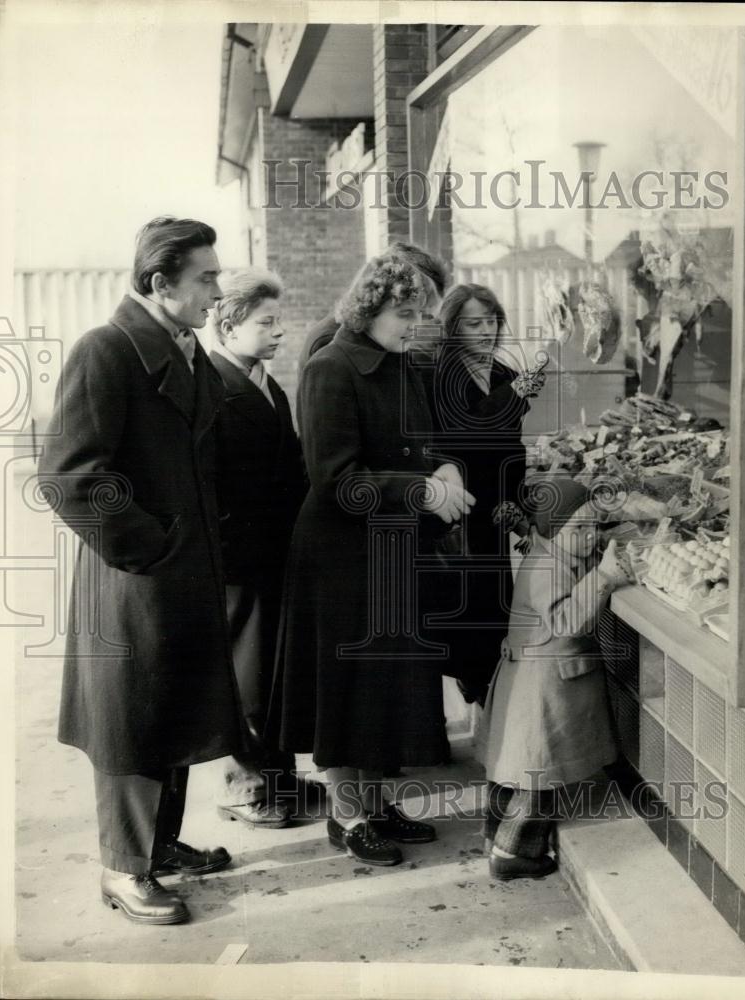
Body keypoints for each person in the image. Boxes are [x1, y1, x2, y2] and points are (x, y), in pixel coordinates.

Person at [38, 217, 249, 926]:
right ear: (161, 283)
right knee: (131, 724)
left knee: (175, 712)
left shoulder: (184, 352)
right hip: (133, 581)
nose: (217, 289)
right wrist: (150, 545)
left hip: (183, 572)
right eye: (207, 277)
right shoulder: (106, 351)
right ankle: (122, 870)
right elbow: (69, 475)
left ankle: (157, 846)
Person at [269, 252, 475, 867]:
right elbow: (335, 478)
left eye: (423, 313)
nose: (416, 323)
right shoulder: (331, 367)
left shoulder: (402, 364)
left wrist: (440, 466)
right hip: (341, 555)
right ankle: (348, 815)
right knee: (346, 688)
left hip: (390, 548)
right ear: (370, 307)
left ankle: (377, 803)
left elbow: (424, 440)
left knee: (383, 686)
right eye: (404, 312)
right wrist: (423, 491)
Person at [479, 477, 631, 880]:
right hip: (543, 686)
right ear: (551, 530)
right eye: (578, 529)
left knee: (515, 767)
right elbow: (567, 621)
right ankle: (512, 855)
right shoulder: (547, 567)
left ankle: (494, 834)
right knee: (539, 774)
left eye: (594, 526)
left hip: (533, 678)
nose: (589, 537)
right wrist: (605, 578)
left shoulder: (550, 551)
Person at [208, 269, 307, 829]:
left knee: (272, 669)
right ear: (229, 324)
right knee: (245, 675)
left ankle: (279, 778)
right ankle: (245, 786)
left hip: (276, 555)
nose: (279, 332)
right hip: (238, 561)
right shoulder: (214, 386)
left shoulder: (268, 386)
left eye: (278, 321)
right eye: (266, 322)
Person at [424, 283, 546, 705]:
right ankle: (475, 692)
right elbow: (467, 433)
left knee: (496, 610)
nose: (485, 331)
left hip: (497, 505)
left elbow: (511, 443)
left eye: (492, 321)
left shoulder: (503, 373)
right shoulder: (440, 374)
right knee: (469, 614)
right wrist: (511, 396)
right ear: (452, 326)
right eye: (474, 322)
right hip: (462, 508)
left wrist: (519, 503)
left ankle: (486, 702)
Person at [295, 241, 448, 382]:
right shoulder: (330, 342)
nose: (419, 325)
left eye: (423, 313)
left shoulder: (378, 338)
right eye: (407, 313)